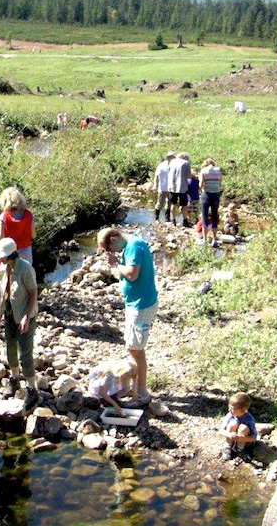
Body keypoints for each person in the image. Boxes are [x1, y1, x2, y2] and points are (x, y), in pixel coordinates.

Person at [97, 227, 158, 405]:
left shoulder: (133, 247)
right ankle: (137, 388)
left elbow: (132, 274)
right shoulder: (131, 244)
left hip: (142, 305)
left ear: (114, 238)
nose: (110, 252)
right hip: (136, 302)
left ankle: (142, 394)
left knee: (135, 349)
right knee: (133, 346)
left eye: (108, 248)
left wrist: (115, 263)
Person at [0, 237, 38, 397]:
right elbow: (4, 294)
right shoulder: (3, 269)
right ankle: (15, 379)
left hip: (25, 314)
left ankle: (32, 389)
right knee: (10, 348)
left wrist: (26, 317)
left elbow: (33, 294)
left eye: (2, 256)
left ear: (10, 255)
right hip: (9, 314)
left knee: (25, 352)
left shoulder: (25, 268)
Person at [0, 187, 36, 265]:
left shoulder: (3, 216)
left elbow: (1, 237)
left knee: (12, 275)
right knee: (26, 274)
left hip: (10, 252)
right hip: (26, 250)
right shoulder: (29, 215)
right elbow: (33, 235)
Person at [218, 391, 257, 460]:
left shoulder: (249, 420)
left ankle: (240, 449)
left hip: (244, 439)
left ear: (242, 410)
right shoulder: (230, 415)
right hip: (232, 436)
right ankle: (228, 446)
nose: (229, 409)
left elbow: (253, 438)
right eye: (229, 407)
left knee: (243, 427)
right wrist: (229, 434)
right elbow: (221, 430)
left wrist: (241, 438)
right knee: (233, 423)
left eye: (232, 408)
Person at [200, 158, 224, 248]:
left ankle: (205, 240)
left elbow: (201, 185)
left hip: (206, 194)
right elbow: (220, 184)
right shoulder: (219, 171)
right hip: (216, 195)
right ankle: (214, 240)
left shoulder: (204, 170)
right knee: (214, 215)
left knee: (205, 216)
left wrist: (201, 189)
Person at [168, 152, 193, 227]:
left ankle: (173, 220)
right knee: (184, 205)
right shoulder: (186, 163)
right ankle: (185, 221)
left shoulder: (172, 161)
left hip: (172, 186)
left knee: (173, 204)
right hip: (182, 187)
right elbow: (189, 176)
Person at [153, 150, 174, 222]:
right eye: (171, 157)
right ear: (167, 157)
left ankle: (167, 219)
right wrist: (155, 185)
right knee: (160, 203)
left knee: (169, 203)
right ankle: (156, 218)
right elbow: (156, 176)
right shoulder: (161, 165)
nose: (172, 158)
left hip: (172, 188)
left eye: (173, 157)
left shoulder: (174, 165)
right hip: (163, 187)